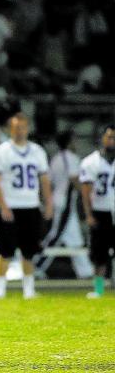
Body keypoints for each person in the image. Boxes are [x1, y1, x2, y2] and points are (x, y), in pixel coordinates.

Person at [0, 112, 53, 299]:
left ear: (28, 128)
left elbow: (45, 181)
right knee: (4, 250)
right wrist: (3, 205)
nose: (19, 131)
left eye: (22, 127)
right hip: (10, 206)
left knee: (29, 251)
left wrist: (48, 203)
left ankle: (29, 289)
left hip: (31, 206)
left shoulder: (38, 151)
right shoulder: (0, 152)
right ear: (10, 129)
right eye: (16, 127)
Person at [36, 130, 93, 279]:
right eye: (74, 140)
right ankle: (37, 265)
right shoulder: (72, 158)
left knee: (74, 239)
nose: (76, 143)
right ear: (69, 142)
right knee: (55, 236)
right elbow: (75, 180)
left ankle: (85, 271)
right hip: (65, 204)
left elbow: (50, 181)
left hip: (59, 201)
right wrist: (88, 193)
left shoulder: (55, 159)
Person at [80, 125, 115, 299]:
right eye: (109, 137)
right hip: (101, 211)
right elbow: (86, 190)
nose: (112, 141)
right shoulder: (90, 162)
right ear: (102, 138)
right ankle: (99, 289)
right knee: (99, 254)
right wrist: (89, 214)